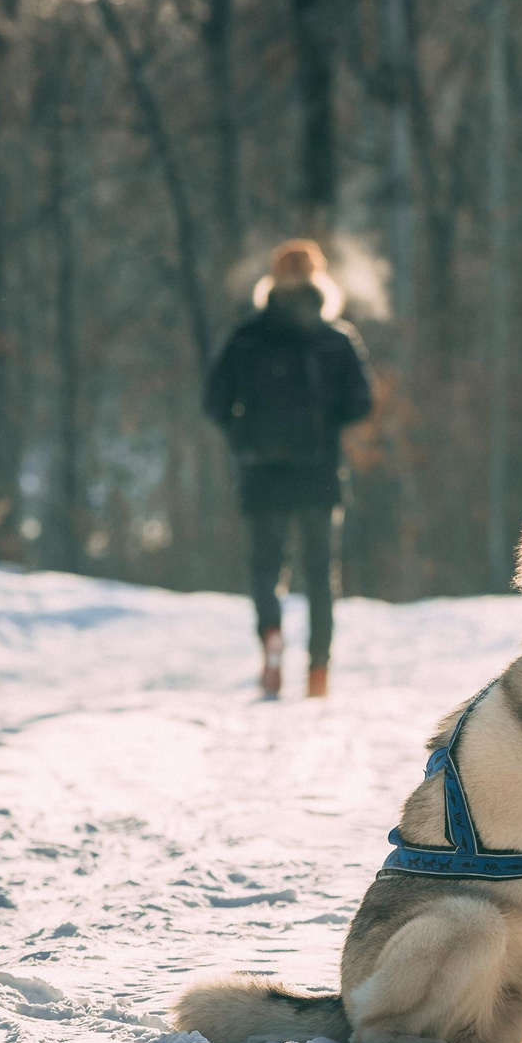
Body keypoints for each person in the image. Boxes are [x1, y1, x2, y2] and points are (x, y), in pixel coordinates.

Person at [202, 240, 374, 700]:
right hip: (318, 470)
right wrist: (326, 418)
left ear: (271, 283)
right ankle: (318, 671)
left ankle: (271, 641)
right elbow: (361, 402)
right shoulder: (335, 338)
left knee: (265, 568)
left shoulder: (246, 337)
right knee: (320, 574)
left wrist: (244, 436)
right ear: (320, 281)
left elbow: (215, 400)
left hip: (261, 470)